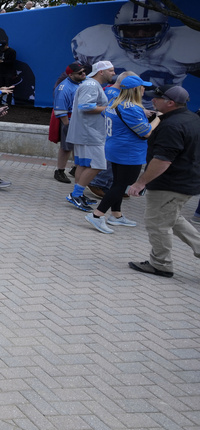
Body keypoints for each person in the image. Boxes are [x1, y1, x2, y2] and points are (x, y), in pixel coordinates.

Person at [126, 86, 200, 277]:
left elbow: (162, 160)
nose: (153, 100)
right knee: (173, 219)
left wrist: (140, 183)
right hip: (187, 181)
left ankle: (160, 264)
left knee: (157, 224)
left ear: (170, 103)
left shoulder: (171, 126)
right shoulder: (192, 118)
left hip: (170, 185)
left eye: (158, 98)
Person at [73, 0, 200, 90]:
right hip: (118, 108)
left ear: (162, 29)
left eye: (148, 29)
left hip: (164, 109)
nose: (140, 34)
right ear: (118, 30)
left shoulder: (184, 43)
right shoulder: (95, 41)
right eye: (132, 30)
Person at [88, 76, 157, 227]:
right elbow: (146, 132)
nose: (144, 89)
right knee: (123, 186)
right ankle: (97, 215)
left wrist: (141, 114)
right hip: (129, 152)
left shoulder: (114, 102)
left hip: (115, 149)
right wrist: (159, 118)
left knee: (117, 183)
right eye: (142, 87)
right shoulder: (132, 108)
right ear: (135, 90)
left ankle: (116, 215)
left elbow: (104, 114)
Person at [66, 60, 118, 223]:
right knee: (98, 165)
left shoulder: (91, 84)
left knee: (84, 164)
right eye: (111, 70)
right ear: (101, 72)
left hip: (87, 132)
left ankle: (77, 194)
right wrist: (110, 108)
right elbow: (85, 106)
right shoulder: (91, 85)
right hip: (89, 133)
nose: (113, 74)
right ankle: (75, 195)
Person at [52, 62, 89, 184]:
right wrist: (67, 125)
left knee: (79, 146)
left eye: (84, 71)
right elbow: (60, 109)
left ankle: (76, 168)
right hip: (70, 120)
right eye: (80, 73)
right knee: (66, 147)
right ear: (71, 75)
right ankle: (60, 171)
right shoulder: (63, 88)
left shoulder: (83, 82)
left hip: (81, 119)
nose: (84, 74)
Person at [0, 26, 35, 105]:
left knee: (8, 88)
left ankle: (8, 102)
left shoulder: (12, 52)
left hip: (9, 73)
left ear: (6, 45)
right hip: (1, 72)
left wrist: (2, 61)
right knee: (0, 87)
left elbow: (11, 61)